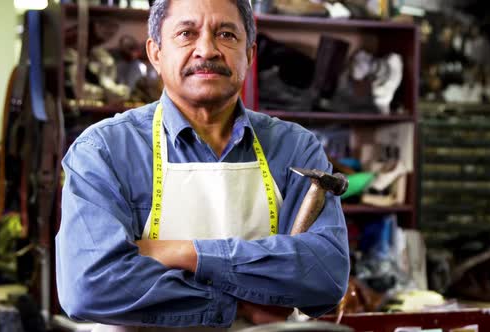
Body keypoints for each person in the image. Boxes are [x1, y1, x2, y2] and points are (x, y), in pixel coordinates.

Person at [55, 0, 350, 330]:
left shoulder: (295, 146)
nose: (207, 50)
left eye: (225, 34)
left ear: (249, 54)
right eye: (186, 33)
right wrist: (240, 305)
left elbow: (325, 274)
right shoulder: (105, 150)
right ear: (155, 53)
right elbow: (90, 286)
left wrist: (185, 253)